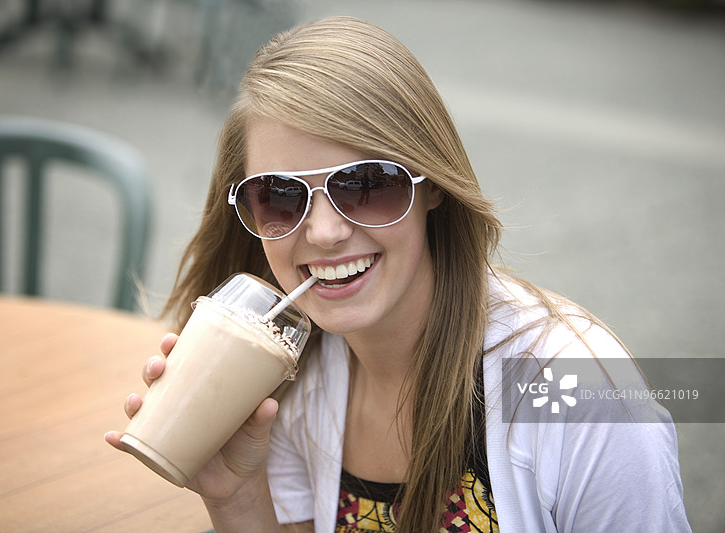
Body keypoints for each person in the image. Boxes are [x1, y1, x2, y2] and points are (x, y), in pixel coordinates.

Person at [105, 16, 691, 533]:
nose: (326, 232)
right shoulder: (291, 373)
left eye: (366, 184)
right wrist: (234, 494)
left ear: (432, 183)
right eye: (280, 196)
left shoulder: (581, 393)